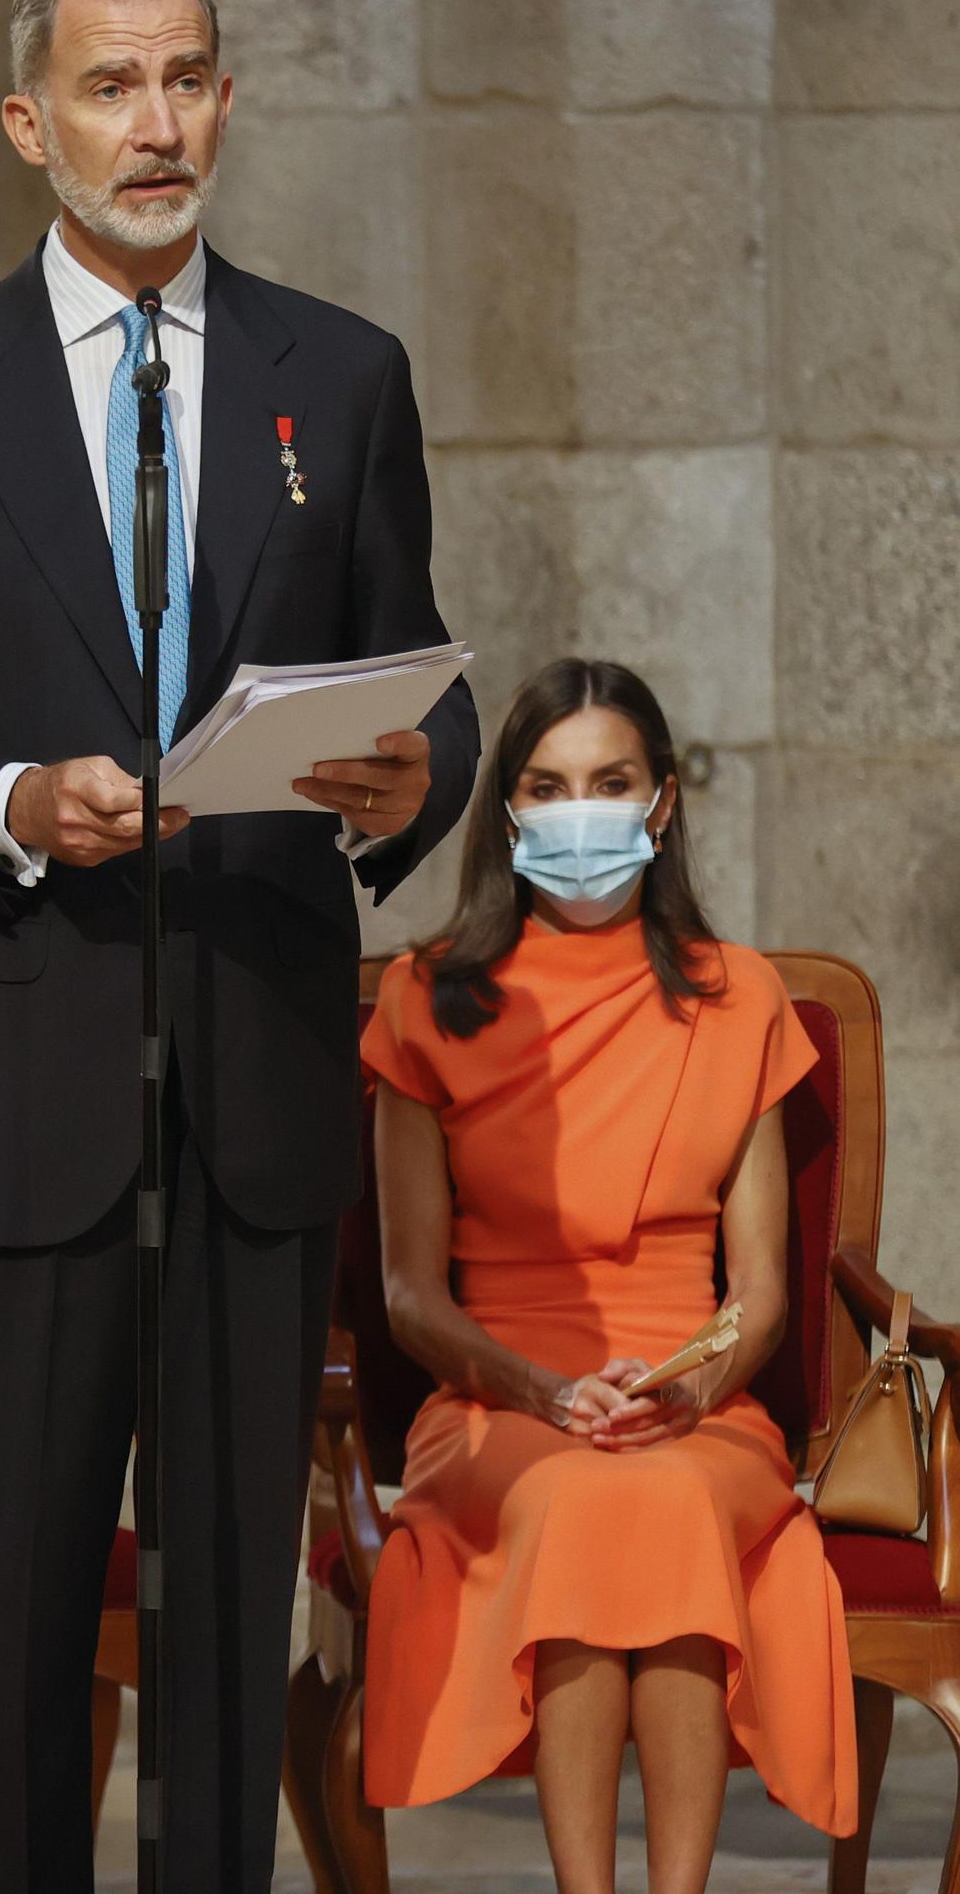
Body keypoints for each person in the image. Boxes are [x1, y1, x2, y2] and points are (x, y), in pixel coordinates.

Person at [0, 0, 478, 1894]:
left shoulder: (342, 377)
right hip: (22, 1092)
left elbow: (418, 679)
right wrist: (4, 799)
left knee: (233, 1621)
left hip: (253, 1095)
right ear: (29, 123)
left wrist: (421, 779)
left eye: (183, 80)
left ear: (226, 100)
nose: (152, 124)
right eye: (107, 86)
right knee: (20, 1624)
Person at [360, 659, 856, 1894]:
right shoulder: (425, 997)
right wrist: (542, 1392)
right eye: (547, 784)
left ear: (662, 802)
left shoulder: (738, 998)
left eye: (608, 781)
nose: (578, 809)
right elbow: (410, 1293)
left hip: (694, 1397)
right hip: (492, 1403)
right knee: (588, 1502)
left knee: (665, 1498)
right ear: (509, 813)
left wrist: (690, 1387)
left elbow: (759, 1294)